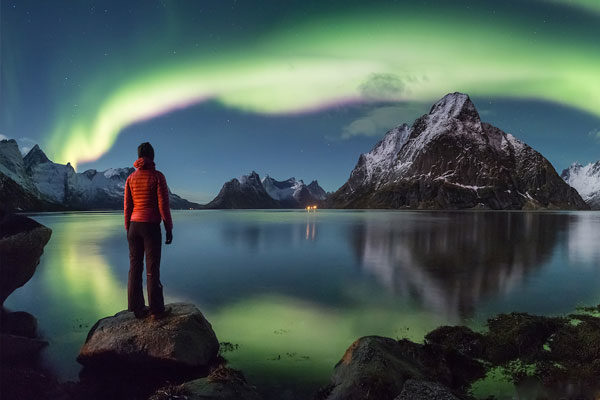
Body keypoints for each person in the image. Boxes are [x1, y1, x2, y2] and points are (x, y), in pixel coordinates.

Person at [124, 142, 173, 319]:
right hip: (150, 226)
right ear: (152, 156)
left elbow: (127, 207)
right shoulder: (157, 176)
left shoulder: (130, 178)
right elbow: (163, 206)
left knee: (134, 267)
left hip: (134, 226)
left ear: (138, 157)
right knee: (152, 268)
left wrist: (128, 228)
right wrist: (168, 228)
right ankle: (156, 310)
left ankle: (136, 309)